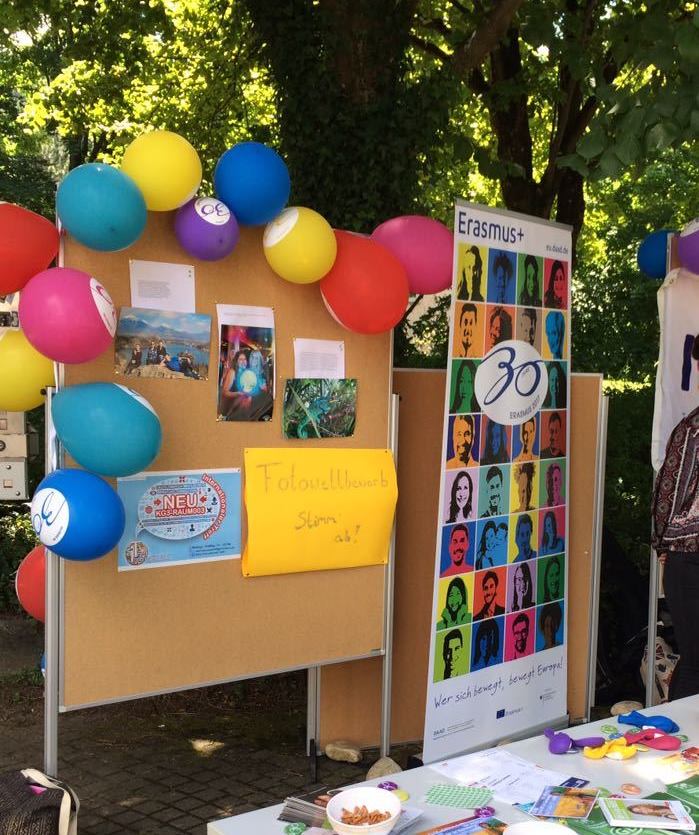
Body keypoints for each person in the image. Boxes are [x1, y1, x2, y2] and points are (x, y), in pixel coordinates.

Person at [652, 405, 699, 699]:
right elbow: (669, 491)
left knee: (695, 662)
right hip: (689, 556)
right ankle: (682, 742)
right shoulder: (692, 428)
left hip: (688, 555)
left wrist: (662, 542)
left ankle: (681, 742)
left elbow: (668, 494)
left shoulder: (692, 428)